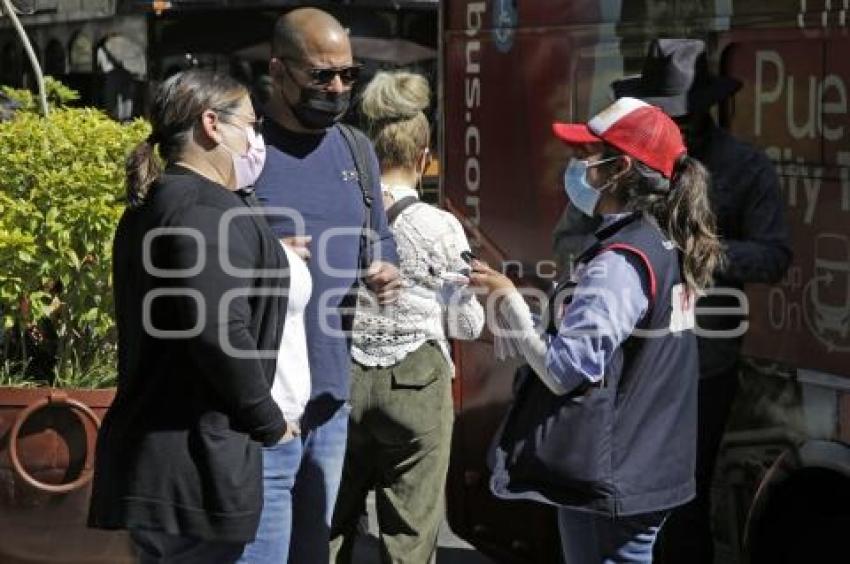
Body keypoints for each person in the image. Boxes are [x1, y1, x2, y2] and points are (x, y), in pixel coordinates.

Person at [471, 96, 724, 563]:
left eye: (587, 155)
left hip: (616, 468)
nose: (576, 165)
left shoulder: (623, 259)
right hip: (648, 462)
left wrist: (507, 302)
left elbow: (564, 370)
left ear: (620, 168)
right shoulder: (665, 239)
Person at [88, 69, 310, 562]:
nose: (256, 140)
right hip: (200, 466)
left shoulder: (167, 204)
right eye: (250, 125)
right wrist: (267, 421)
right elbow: (216, 328)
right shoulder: (201, 210)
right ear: (212, 124)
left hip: (176, 464)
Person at [605, 39, 792, 564]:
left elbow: (774, 256)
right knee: (624, 501)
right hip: (626, 355)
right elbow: (570, 236)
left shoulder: (743, 167)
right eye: (664, 114)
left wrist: (698, 251)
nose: (676, 124)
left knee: (683, 505)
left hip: (702, 364)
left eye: (684, 115)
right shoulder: (624, 158)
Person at [249, 8, 401, 563]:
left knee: (313, 547)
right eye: (321, 75)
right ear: (278, 71)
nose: (337, 88)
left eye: (348, 74)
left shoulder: (356, 149)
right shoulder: (245, 153)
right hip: (261, 398)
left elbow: (379, 237)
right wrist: (263, 259)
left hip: (331, 394)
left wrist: (387, 267)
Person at [329, 71, 485, 563]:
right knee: (410, 539)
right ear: (424, 157)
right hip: (418, 383)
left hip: (343, 378)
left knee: (329, 528)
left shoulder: (341, 214)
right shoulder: (440, 226)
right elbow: (467, 325)